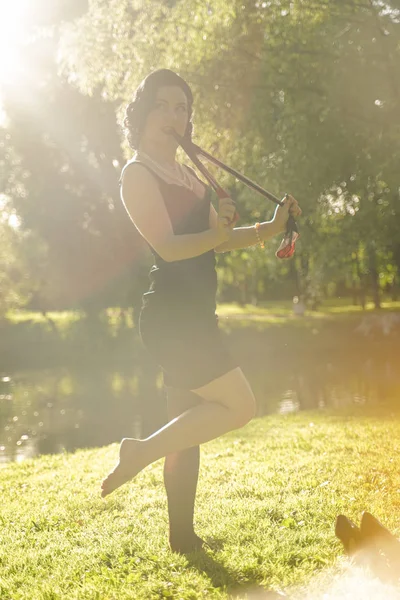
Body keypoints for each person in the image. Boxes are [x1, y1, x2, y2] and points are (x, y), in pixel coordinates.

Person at [101, 69, 302, 553]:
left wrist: (271, 227)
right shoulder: (137, 174)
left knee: (184, 428)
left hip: (196, 314)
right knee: (242, 406)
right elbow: (169, 247)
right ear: (144, 113)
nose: (175, 115)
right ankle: (139, 451)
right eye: (164, 105)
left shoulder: (189, 175)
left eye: (182, 108)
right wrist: (217, 234)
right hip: (172, 319)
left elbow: (222, 238)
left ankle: (181, 537)